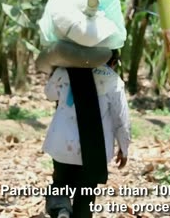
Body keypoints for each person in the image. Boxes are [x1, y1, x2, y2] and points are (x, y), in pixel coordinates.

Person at [42, 50, 130, 218]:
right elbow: (121, 119)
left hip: (62, 144)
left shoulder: (64, 71)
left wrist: (55, 71)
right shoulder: (113, 80)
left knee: (60, 183)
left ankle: (61, 209)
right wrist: (123, 148)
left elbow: (49, 94)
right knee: (86, 191)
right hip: (94, 149)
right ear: (112, 62)